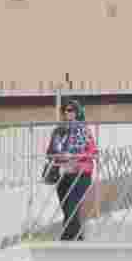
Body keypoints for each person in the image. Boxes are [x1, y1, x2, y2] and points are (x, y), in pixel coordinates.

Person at [46, 100, 97, 240]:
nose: (67, 113)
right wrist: (59, 157)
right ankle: (77, 238)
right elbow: (50, 151)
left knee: (71, 207)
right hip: (63, 173)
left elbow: (92, 151)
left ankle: (67, 239)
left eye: (71, 110)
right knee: (67, 209)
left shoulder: (84, 130)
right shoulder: (58, 131)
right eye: (65, 110)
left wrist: (74, 156)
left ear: (77, 112)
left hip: (81, 173)